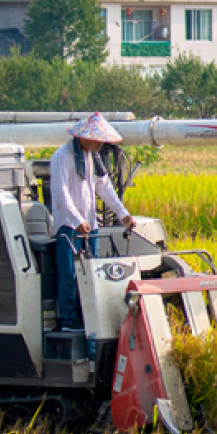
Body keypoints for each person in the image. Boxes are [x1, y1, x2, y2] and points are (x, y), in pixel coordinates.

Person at [50, 113, 135, 332]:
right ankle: (68, 321)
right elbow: (61, 193)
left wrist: (122, 214)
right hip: (68, 226)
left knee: (92, 274)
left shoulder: (93, 158)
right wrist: (77, 220)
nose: (100, 144)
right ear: (83, 138)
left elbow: (104, 189)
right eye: (97, 140)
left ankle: (89, 318)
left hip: (89, 225)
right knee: (69, 273)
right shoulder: (63, 156)